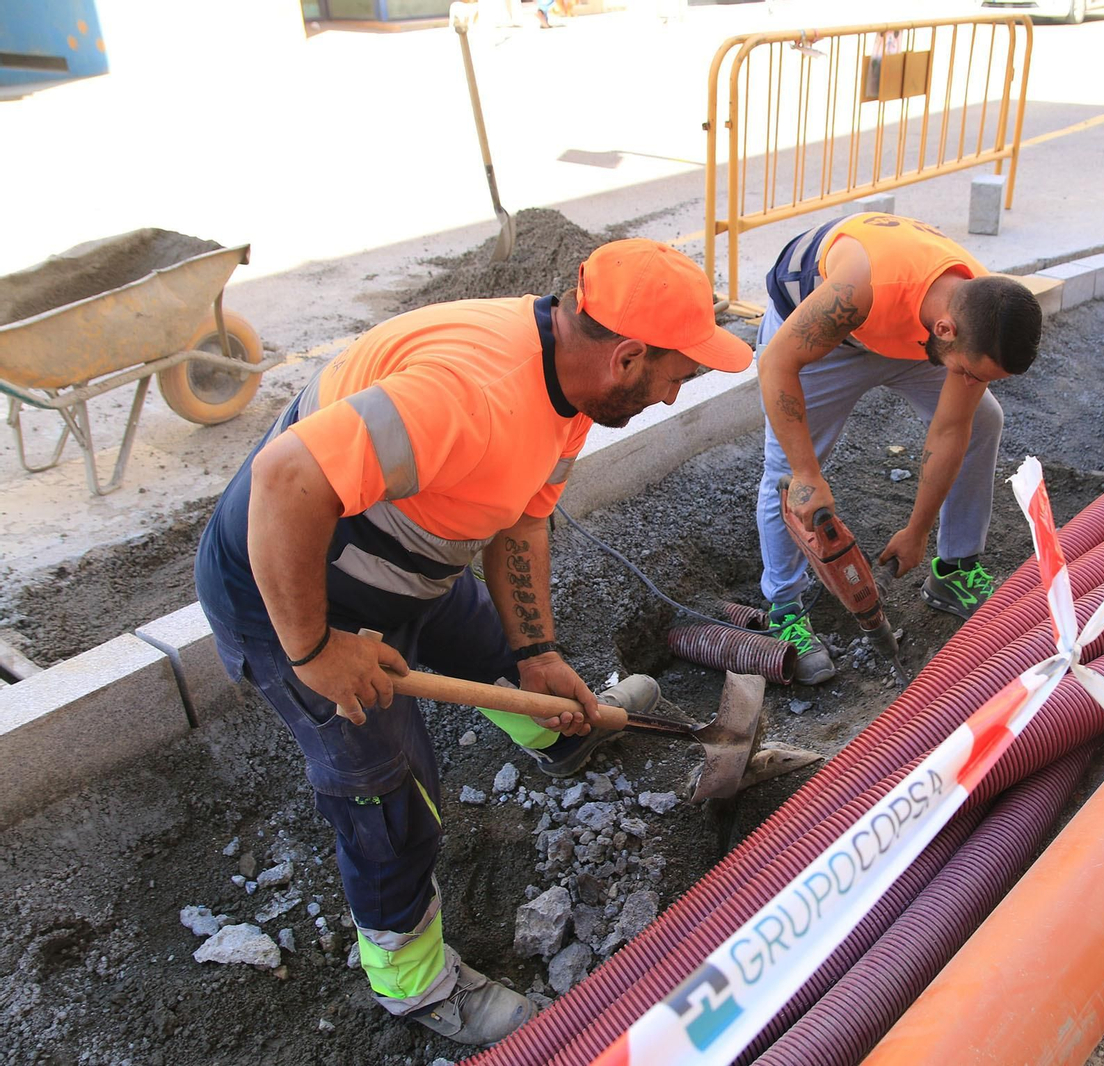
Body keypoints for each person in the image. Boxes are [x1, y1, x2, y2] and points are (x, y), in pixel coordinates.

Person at [193, 239, 751, 1046]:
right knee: (389, 791)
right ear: (628, 356)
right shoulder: (472, 391)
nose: (674, 394)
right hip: (286, 585)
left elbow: (522, 518)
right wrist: (316, 651)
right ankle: (413, 984)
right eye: (678, 374)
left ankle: (556, 736)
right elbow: (285, 481)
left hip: (409, 557)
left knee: (498, 654)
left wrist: (537, 653)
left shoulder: (569, 384)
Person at [754, 212, 1043, 684]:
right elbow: (776, 363)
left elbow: (950, 431)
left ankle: (953, 570)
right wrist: (807, 475)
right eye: (970, 373)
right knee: (786, 471)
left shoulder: (976, 312)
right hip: (829, 340)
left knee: (985, 418)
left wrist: (917, 531)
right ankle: (785, 611)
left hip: (912, 338)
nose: (970, 382)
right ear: (947, 330)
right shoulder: (859, 287)